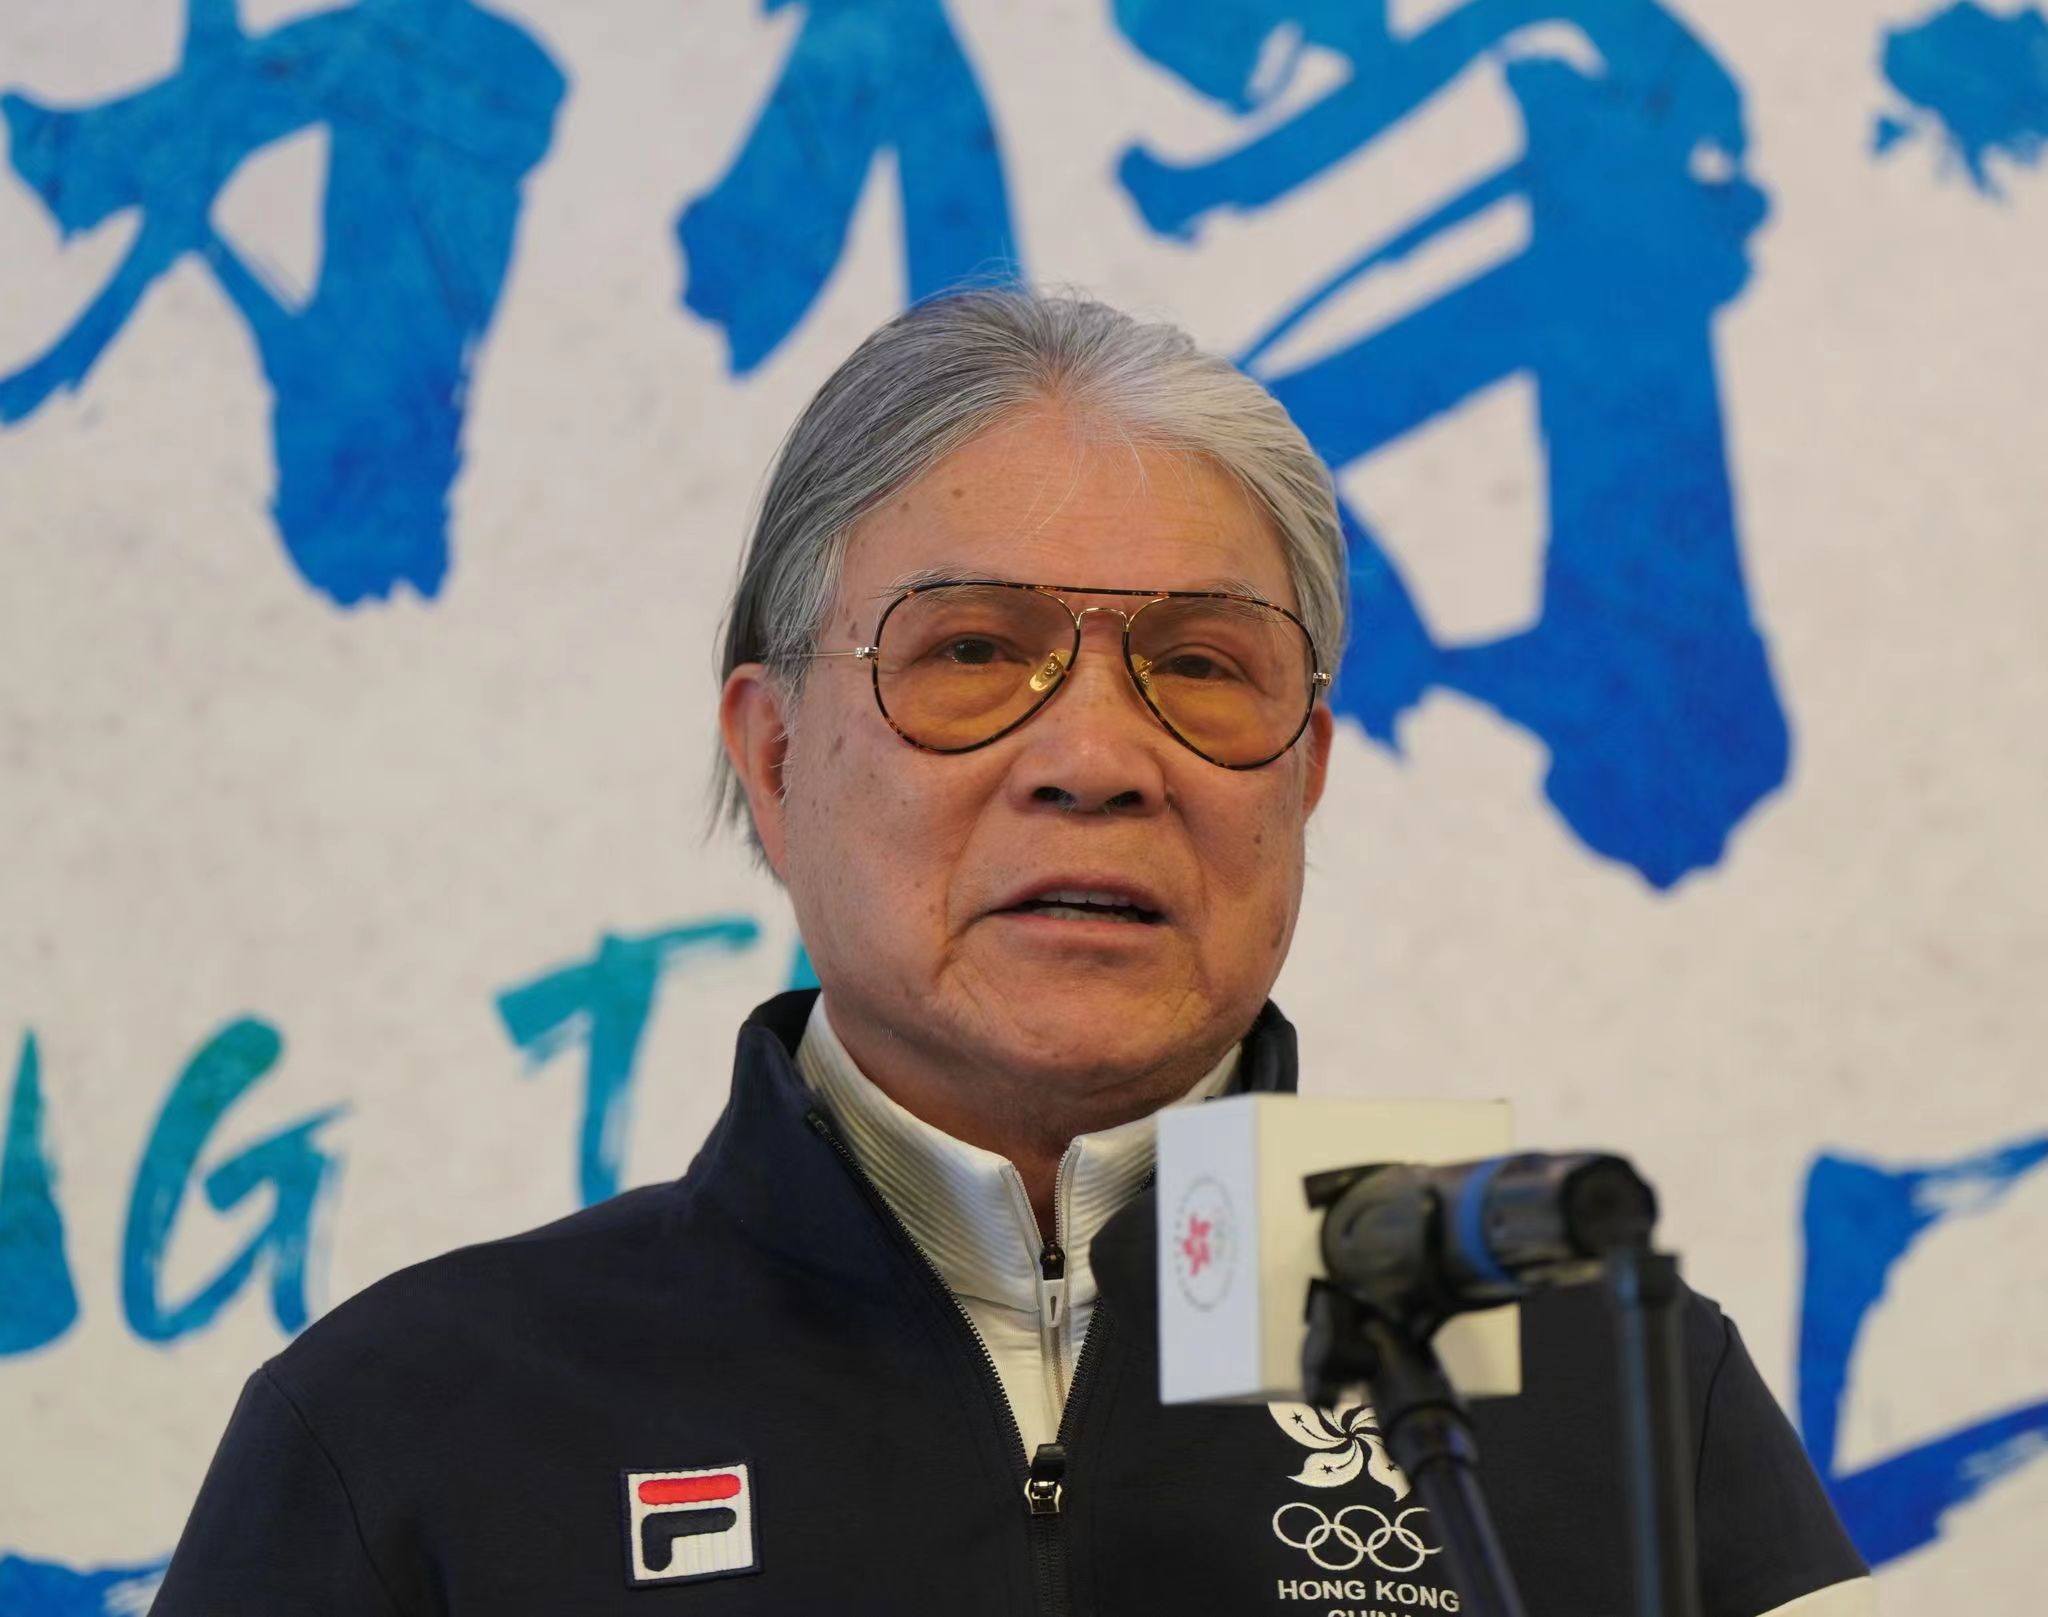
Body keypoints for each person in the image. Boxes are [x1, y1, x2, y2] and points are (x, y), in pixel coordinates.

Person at [152, 288, 1871, 1615]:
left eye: (1204, 666)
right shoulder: (416, 1423)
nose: (1099, 757)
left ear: (1306, 774)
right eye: (974, 650)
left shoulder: (1611, 1390)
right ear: (774, 752)